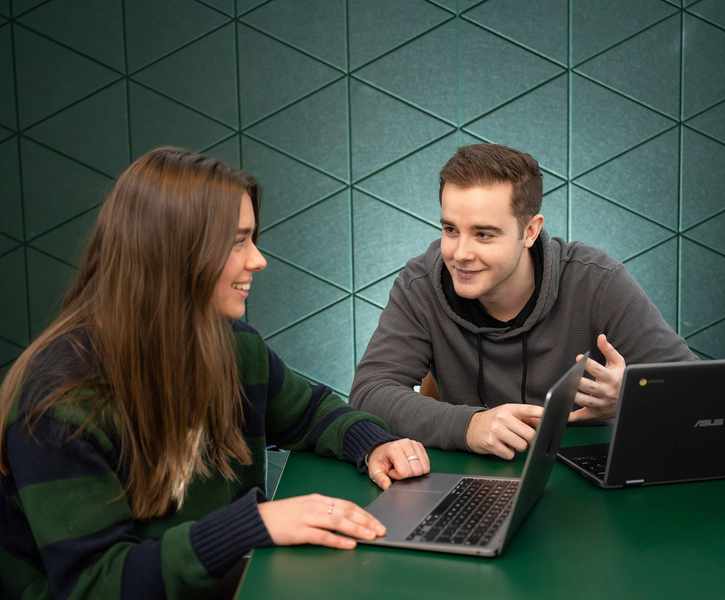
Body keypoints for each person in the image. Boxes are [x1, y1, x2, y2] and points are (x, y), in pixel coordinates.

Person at [0, 148, 430, 599]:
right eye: (237, 241)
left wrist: (372, 443)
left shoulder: (233, 346)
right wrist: (252, 526)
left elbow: (311, 413)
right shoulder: (60, 403)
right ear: (173, 253)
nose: (258, 260)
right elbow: (95, 585)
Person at [350, 143, 695, 460]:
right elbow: (369, 393)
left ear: (530, 231)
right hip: (472, 478)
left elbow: (698, 392)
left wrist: (633, 397)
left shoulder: (596, 279)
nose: (460, 254)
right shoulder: (420, 284)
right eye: (451, 230)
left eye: (484, 234)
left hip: (585, 490)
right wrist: (469, 426)